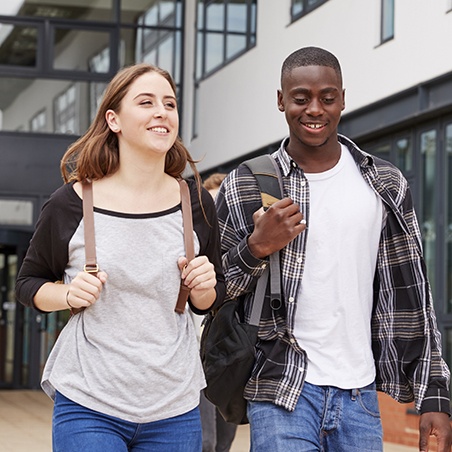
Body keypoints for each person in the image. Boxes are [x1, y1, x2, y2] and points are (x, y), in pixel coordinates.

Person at [215, 46, 452, 451]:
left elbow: (415, 294)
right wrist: (256, 248)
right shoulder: (247, 184)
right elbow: (213, 293)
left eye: (327, 98)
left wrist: (435, 395)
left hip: (360, 395)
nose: (314, 110)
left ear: (342, 99)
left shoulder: (385, 184)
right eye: (301, 98)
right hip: (281, 389)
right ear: (280, 100)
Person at [15, 63, 225, 452]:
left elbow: (208, 302)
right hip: (89, 403)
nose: (162, 112)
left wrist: (204, 289)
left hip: (174, 406)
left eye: (170, 103)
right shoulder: (71, 203)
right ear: (113, 119)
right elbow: (28, 283)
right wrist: (67, 295)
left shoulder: (195, 203)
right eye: (146, 102)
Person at [194, 172, 238, 452]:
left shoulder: (243, 256)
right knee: (205, 441)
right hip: (195, 356)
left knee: (223, 443)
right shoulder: (193, 248)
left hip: (231, 355)